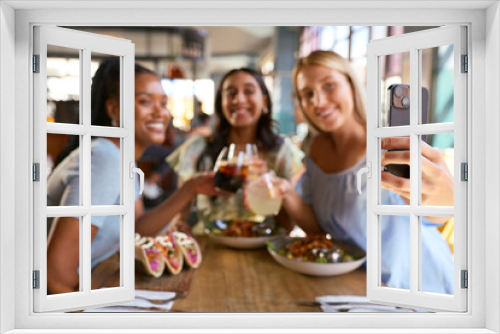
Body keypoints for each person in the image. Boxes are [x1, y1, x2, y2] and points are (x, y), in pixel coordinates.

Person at [275, 50, 454, 294]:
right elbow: (319, 229)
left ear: (351, 85)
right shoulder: (315, 149)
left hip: (419, 285)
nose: (318, 101)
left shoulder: (388, 143)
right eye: (307, 94)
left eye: (329, 86)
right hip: (359, 287)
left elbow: (437, 211)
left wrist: (444, 196)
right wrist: (286, 193)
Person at [46, 59, 221, 294]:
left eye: (163, 102)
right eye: (145, 101)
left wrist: (190, 188)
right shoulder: (105, 158)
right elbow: (55, 277)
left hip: (90, 282)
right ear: (114, 109)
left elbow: (136, 229)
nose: (160, 112)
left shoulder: (121, 157)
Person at [167, 68, 304, 229]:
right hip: (210, 245)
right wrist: (179, 225)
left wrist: (268, 187)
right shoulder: (197, 147)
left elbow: (288, 225)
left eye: (249, 91)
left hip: (263, 246)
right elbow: (181, 216)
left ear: (265, 101)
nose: (238, 99)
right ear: (221, 103)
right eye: (231, 93)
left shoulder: (283, 153)